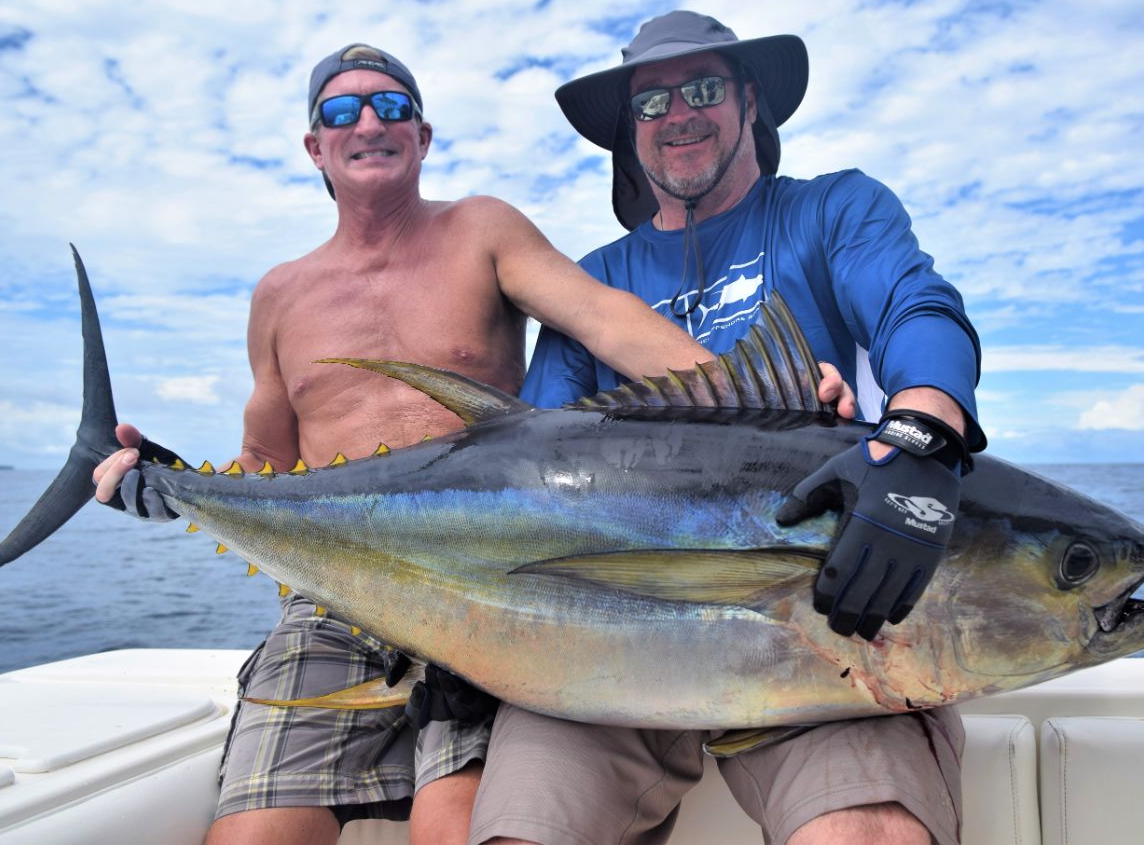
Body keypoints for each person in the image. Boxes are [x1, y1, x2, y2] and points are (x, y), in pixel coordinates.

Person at [87, 42, 768, 845]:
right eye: (341, 111)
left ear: (423, 135)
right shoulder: (279, 294)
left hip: (488, 590)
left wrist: (744, 397)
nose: (368, 122)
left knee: (456, 828)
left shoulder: (481, 229)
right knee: (253, 834)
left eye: (391, 107)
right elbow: (264, 467)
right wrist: (165, 484)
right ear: (316, 146)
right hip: (335, 599)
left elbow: (601, 316)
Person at [470, 11, 987, 845]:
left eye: (703, 87)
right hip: (608, 638)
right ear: (628, 132)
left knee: (864, 831)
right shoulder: (594, 281)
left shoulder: (831, 210)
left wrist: (924, 428)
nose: (677, 112)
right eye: (650, 101)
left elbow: (913, 307)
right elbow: (529, 458)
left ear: (751, 101)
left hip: (824, 631)